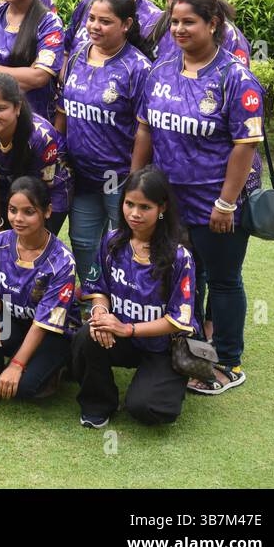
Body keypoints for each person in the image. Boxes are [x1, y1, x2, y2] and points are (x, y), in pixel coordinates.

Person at [132, 0, 264, 395]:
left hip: (216, 205)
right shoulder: (161, 70)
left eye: (189, 21)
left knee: (223, 280)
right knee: (190, 277)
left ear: (213, 24)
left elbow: (246, 146)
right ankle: (191, 353)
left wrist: (226, 203)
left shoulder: (236, 79)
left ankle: (228, 361)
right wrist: (135, 185)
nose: (179, 29)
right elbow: (145, 129)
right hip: (171, 204)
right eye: (174, 21)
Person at [71, 167, 196, 428]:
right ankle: (99, 403)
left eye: (144, 207)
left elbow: (178, 320)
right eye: (129, 204)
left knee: (147, 408)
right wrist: (100, 314)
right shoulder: (112, 241)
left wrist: (127, 329)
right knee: (86, 336)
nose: (135, 214)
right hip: (121, 335)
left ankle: (166, 382)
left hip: (162, 346)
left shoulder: (179, 256)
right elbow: (99, 288)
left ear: (162, 208)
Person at [53, 0, 152, 289]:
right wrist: (56, 155)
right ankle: (94, 300)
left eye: (105, 21)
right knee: (82, 241)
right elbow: (63, 110)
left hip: (118, 176)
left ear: (126, 24)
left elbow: (144, 130)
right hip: (81, 173)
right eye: (92, 18)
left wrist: (135, 179)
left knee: (124, 242)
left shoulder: (137, 68)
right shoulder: (79, 55)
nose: (95, 26)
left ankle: (126, 301)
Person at [0, 177, 79, 407]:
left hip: (52, 332)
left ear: (47, 212)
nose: (18, 219)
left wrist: (17, 365)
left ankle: (55, 367)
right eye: (12, 210)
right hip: (15, 321)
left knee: (24, 389)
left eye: (28, 212)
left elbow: (43, 322)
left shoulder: (62, 261)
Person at [0, 73, 71, 239]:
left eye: (0, 108)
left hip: (48, 190)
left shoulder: (41, 137)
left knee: (32, 245)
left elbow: (39, 188)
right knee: (2, 245)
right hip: (4, 187)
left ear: (17, 107)